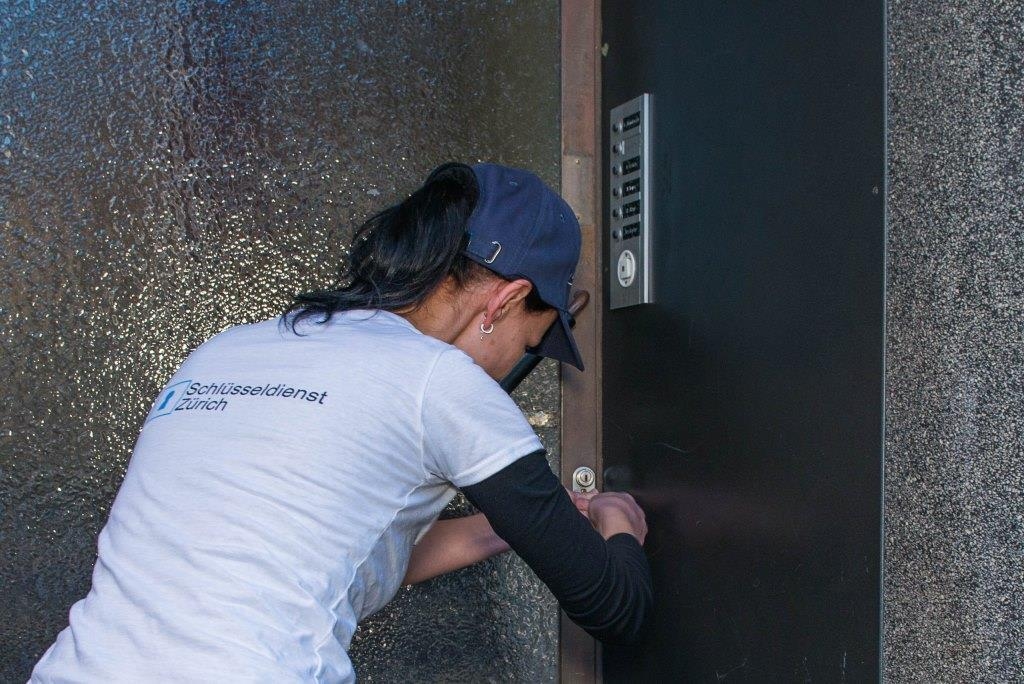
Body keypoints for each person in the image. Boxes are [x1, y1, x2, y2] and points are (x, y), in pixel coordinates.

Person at [30, 162, 652, 683]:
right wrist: (621, 522)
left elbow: (327, 559)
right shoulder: (440, 380)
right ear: (506, 300)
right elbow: (614, 606)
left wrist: (516, 528)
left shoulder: (228, 349)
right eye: (531, 343)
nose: (516, 363)